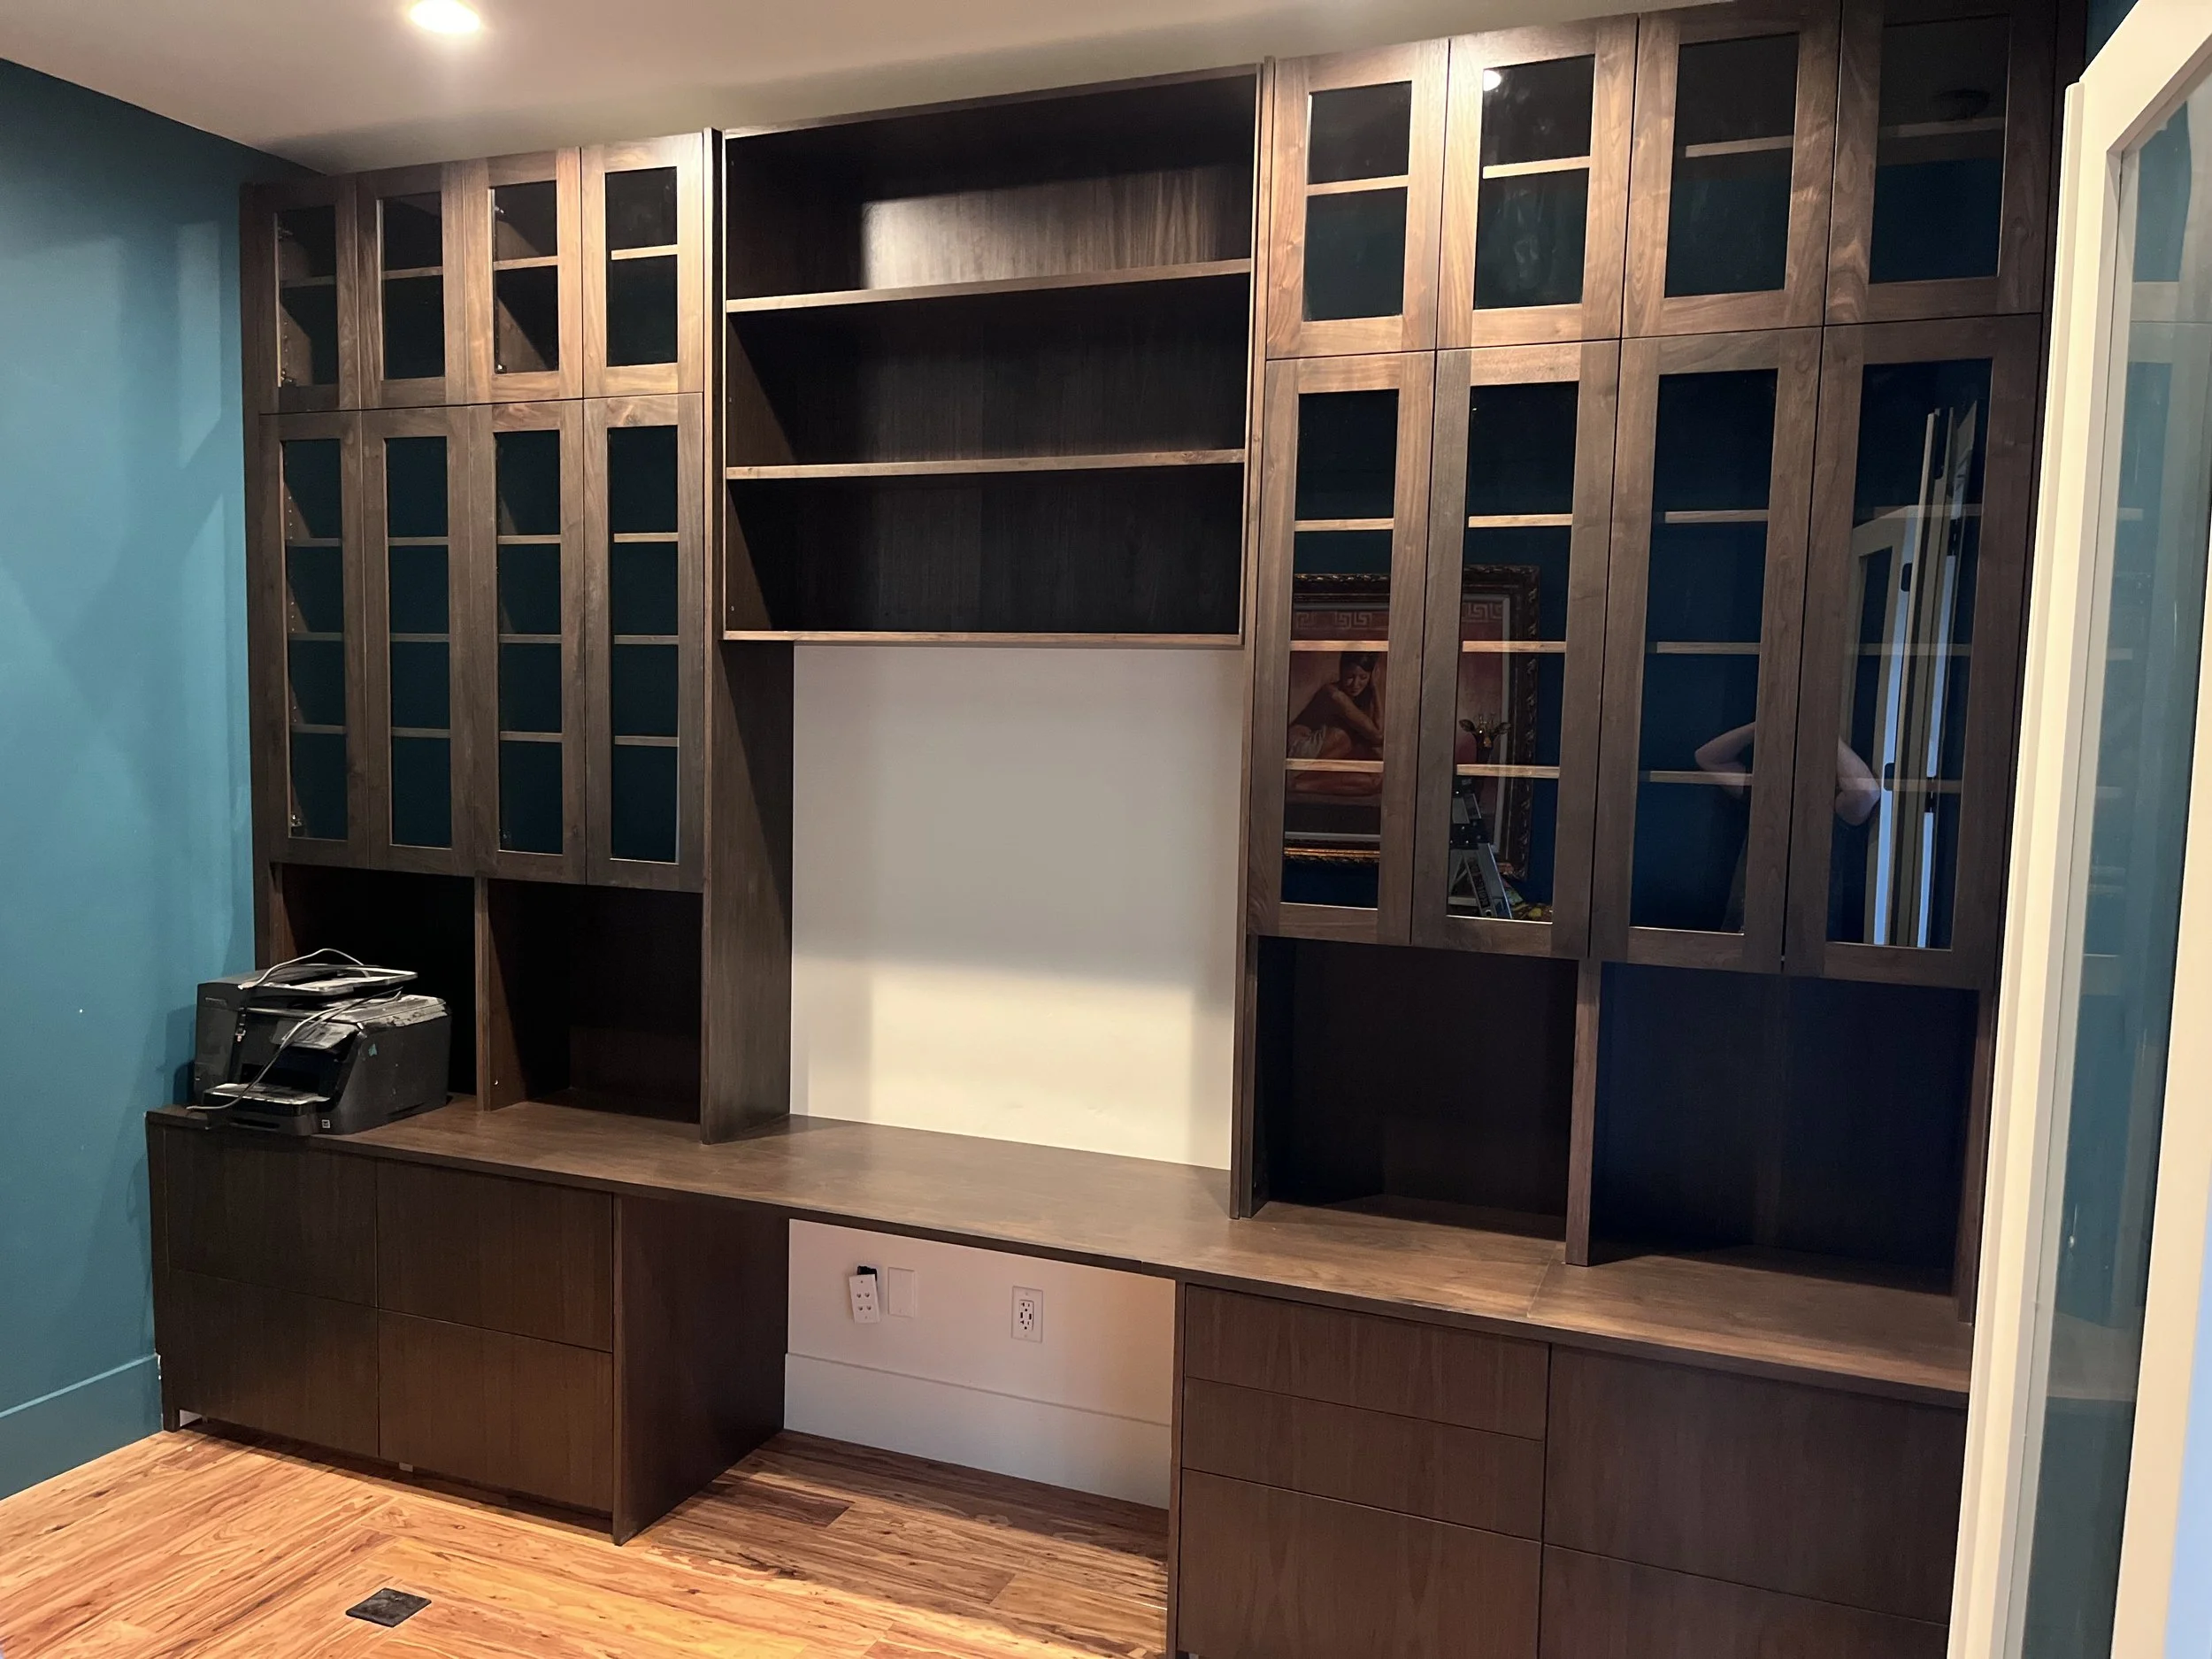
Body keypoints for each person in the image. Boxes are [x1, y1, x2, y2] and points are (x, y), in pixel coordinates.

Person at [1287, 652, 1384, 764]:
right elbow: (1378, 736)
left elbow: (1375, 735)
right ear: (1341, 672)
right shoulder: (1335, 695)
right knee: (1345, 735)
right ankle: (1304, 778)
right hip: (1296, 747)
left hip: (1310, 748)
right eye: (1350, 677)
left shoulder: (1358, 696)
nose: (1355, 684)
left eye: (1363, 677)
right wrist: (1375, 688)